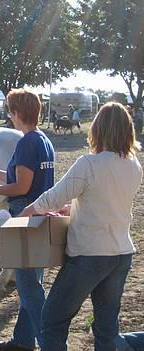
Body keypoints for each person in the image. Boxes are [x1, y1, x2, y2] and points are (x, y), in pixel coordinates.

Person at [20, 102, 142, 351]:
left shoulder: (89, 164)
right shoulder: (134, 166)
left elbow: (53, 197)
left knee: (52, 321)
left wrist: (27, 211)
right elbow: (109, 202)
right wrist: (75, 208)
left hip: (89, 255)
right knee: (107, 330)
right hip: (120, 254)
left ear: (98, 129)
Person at [0, 88, 55, 351]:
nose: (10, 116)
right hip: (41, 218)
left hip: (24, 217)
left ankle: (51, 344)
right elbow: (24, 178)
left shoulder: (26, 142)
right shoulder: (44, 140)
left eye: (10, 111)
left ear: (18, 113)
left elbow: (21, 187)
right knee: (32, 286)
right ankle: (22, 340)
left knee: (30, 290)